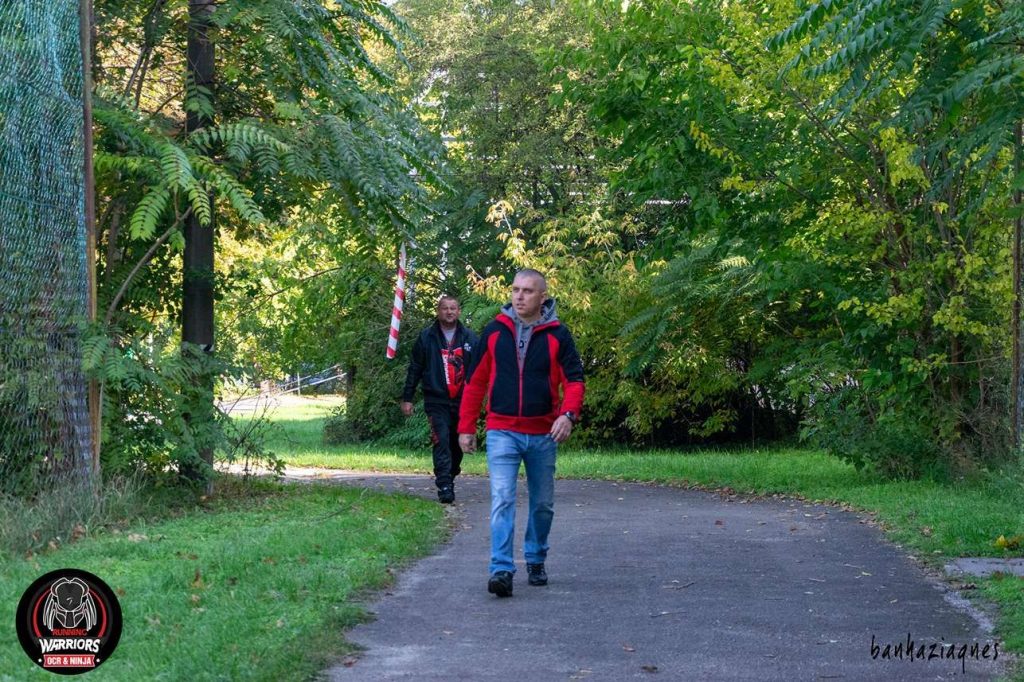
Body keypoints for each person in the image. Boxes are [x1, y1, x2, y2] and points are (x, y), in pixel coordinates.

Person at [458, 269, 584, 597]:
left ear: (543, 297)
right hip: (502, 431)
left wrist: (568, 416)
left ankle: (536, 557)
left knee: (542, 503)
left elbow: (574, 381)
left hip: (543, 434)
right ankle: (501, 569)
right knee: (503, 498)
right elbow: (475, 382)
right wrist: (466, 427)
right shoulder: (495, 331)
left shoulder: (559, 334)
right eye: (515, 289)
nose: (519, 296)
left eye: (528, 291)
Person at [401, 295, 478, 504]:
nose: (449, 312)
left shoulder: (470, 338)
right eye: (445, 308)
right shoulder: (426, 337)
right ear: (438, 311)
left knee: (456, 444)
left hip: (463, 401)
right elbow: (415, 368)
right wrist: (407, 398)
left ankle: (450, 474)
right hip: (436, 400)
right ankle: (444, 485)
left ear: (459, 311)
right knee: (441, 440)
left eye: (453, 308)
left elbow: (481, 371)